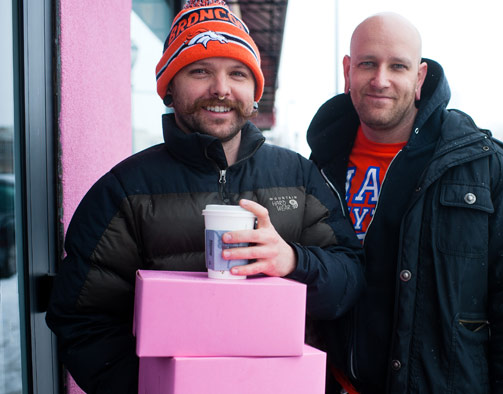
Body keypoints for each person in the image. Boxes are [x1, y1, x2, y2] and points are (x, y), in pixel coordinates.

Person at [46, 1, 365, 393]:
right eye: (200, 71)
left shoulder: (299, 177)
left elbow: (349, 281)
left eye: (237, 73)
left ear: (254, 92)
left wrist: (293, 260)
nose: (221, 88)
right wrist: (158, 386)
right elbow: (81, 319)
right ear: (169, 88)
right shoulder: (125, 190)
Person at [307, 12, 503, 394]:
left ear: (419, 78)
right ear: (347, 71)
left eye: (398, 66)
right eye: (367, 63)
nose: (381, 79)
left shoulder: (484, 168)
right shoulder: (319, 166)